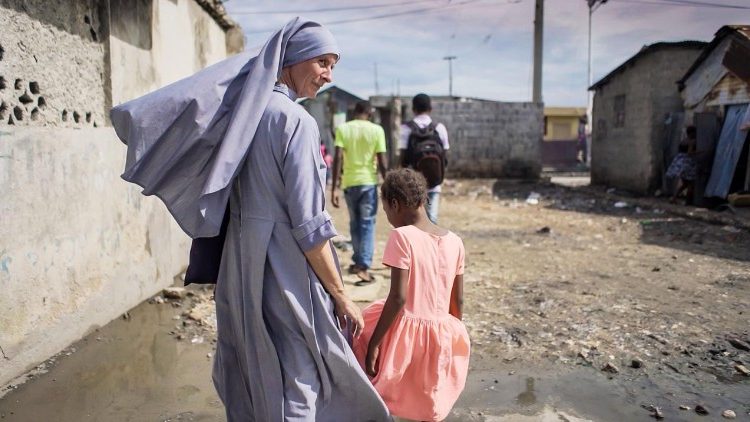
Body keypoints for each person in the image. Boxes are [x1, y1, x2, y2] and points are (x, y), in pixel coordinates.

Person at [111, 18, 391, 421]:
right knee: (301, 370)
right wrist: (341, 294)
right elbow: (309, 226)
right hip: (286, 265)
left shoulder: (244, 116)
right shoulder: (297, 122)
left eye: (334, 65)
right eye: (322, 62)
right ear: (292, 60)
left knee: (254, 363)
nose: (328, 75)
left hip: (240, 262)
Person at [353, 169, 470, 422]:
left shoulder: (402, 236)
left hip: (407, 332)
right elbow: (457, 301)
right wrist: (450, 335)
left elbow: (398, 298)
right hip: (443, 329)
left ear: (394, 204)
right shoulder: (455, 241)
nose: (389, 219)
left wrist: (374, 343)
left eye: (386, 211)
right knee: (428, 399)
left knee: (364, 342)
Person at [331, 101, 388, 283]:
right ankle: (363, 265)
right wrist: (387, 184)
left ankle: (358, 261)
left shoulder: (343, 129)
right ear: (369, 113)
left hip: (349, 183)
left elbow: (338, 158)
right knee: (367, 224)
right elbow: (382, 161)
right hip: (368, 182)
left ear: (354, 112)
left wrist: (334, 187)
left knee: (355, 224)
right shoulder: (377, 130)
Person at [399, 93, 449, 223]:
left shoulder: (405, 129)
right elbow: (445, 156)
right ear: (430, 108)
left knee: (414, 221)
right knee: (431, 219)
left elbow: (402, 159)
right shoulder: (439, 128)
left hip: (412, 185)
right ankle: (430, 243)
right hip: (434, 182)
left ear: (413, 109)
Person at [667, 125, 698, 204]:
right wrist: (700, 152)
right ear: (691, 133)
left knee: (685, 184)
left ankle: (674, 198)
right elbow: (689, 153)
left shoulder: (683, 140)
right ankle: (688, 202)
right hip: (688, 164)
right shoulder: (692, 141)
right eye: (694, 132)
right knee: (691, 183)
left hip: (680, 163)